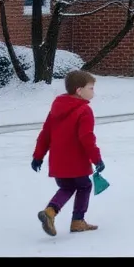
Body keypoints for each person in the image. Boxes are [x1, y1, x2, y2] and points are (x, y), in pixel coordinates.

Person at [31, 69, 105, 236]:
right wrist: (97, 159)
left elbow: (46, 134)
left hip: (58, 160)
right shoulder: (84, 110)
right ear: (79, 91)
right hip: (76, 161)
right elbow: (86, 137)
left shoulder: (56, 109)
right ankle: (77, 221)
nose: (93, 92)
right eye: (91, 88)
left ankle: (50, 212)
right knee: (85, 186)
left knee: (67, 187)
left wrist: (38, 157)